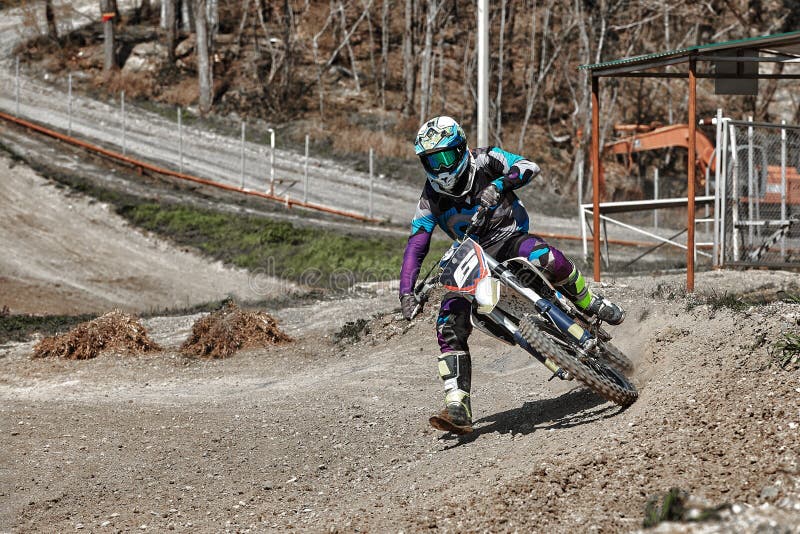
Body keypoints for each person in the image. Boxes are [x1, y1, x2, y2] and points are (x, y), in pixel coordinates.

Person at [399, 115, 625, 435]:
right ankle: (457, 404)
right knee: (448, 318)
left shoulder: (485, 159)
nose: (440, 167)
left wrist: (500, 183)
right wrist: (406, 292)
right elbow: (416, 244)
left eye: (446, 156)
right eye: (431, 160)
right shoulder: (429, 199)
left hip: (509, 238)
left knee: (548, 258)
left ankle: (588, 302)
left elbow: (529, 165)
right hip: (473, 258)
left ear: (461, 148)